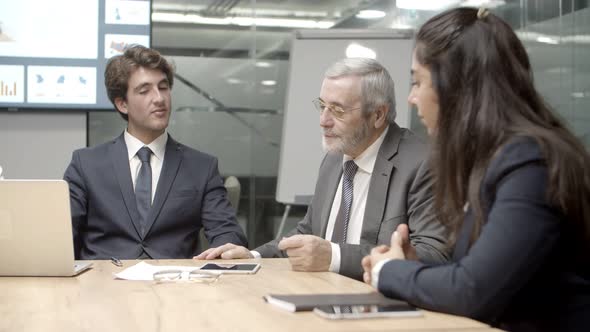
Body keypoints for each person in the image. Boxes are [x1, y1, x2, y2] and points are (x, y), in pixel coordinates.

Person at [362, 7, 590, 331]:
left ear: (455, 87)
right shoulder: (493, 160)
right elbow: (487, 275)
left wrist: (389, 271)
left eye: (418, 81)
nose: (412, 98)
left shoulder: (531, 163)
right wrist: (415, 266)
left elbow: (473, 291)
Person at [196, 57, 449, 280]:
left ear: (378, 115)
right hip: (323, 295)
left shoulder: (423, 163)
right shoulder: (334, 158)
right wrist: (252, 256)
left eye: (337, 110)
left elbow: (433, 255)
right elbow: (308, 232)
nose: (323, 121)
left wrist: (333, 256)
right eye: (322, 106)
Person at [64, 45, 247, 260]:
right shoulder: (86, 164)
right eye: (144, 90)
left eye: (164, 87)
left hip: (173, 285)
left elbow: (227, 232)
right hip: (105, 284)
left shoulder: (202, 167)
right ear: (122, 104)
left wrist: (229, 247)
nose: (159, 98)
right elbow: (61, 234)